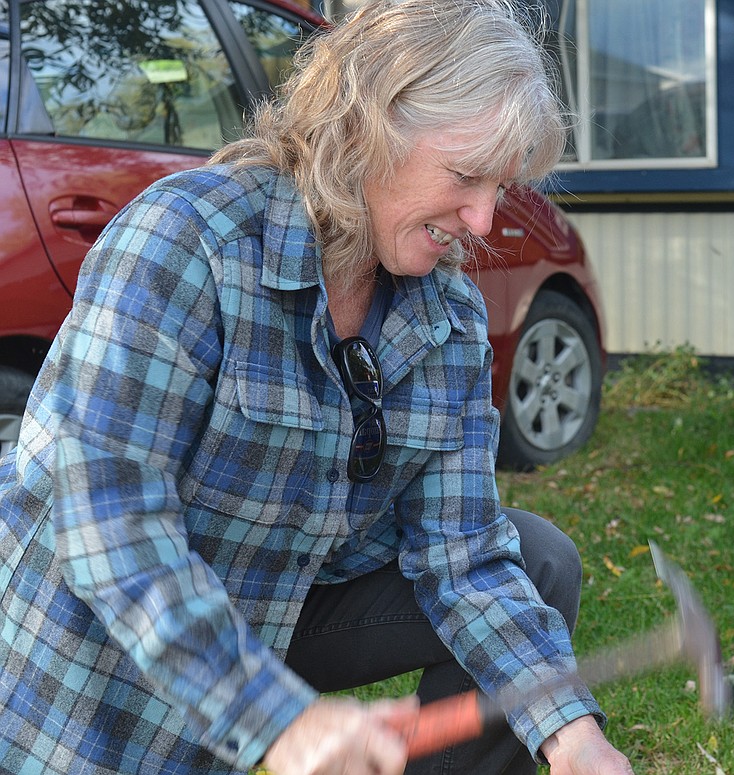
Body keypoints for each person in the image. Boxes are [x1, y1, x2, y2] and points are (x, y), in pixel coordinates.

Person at [0, 1, 634, 774]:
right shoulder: (186, 242)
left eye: (500, 186)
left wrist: (567, 729)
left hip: (276, 601)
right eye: (466, 177)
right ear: (368, 125)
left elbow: (461, 555)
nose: (482, 217)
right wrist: (282, 720)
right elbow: (107, 519)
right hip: (78, 674)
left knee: (535, 559)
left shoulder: (451, 318)